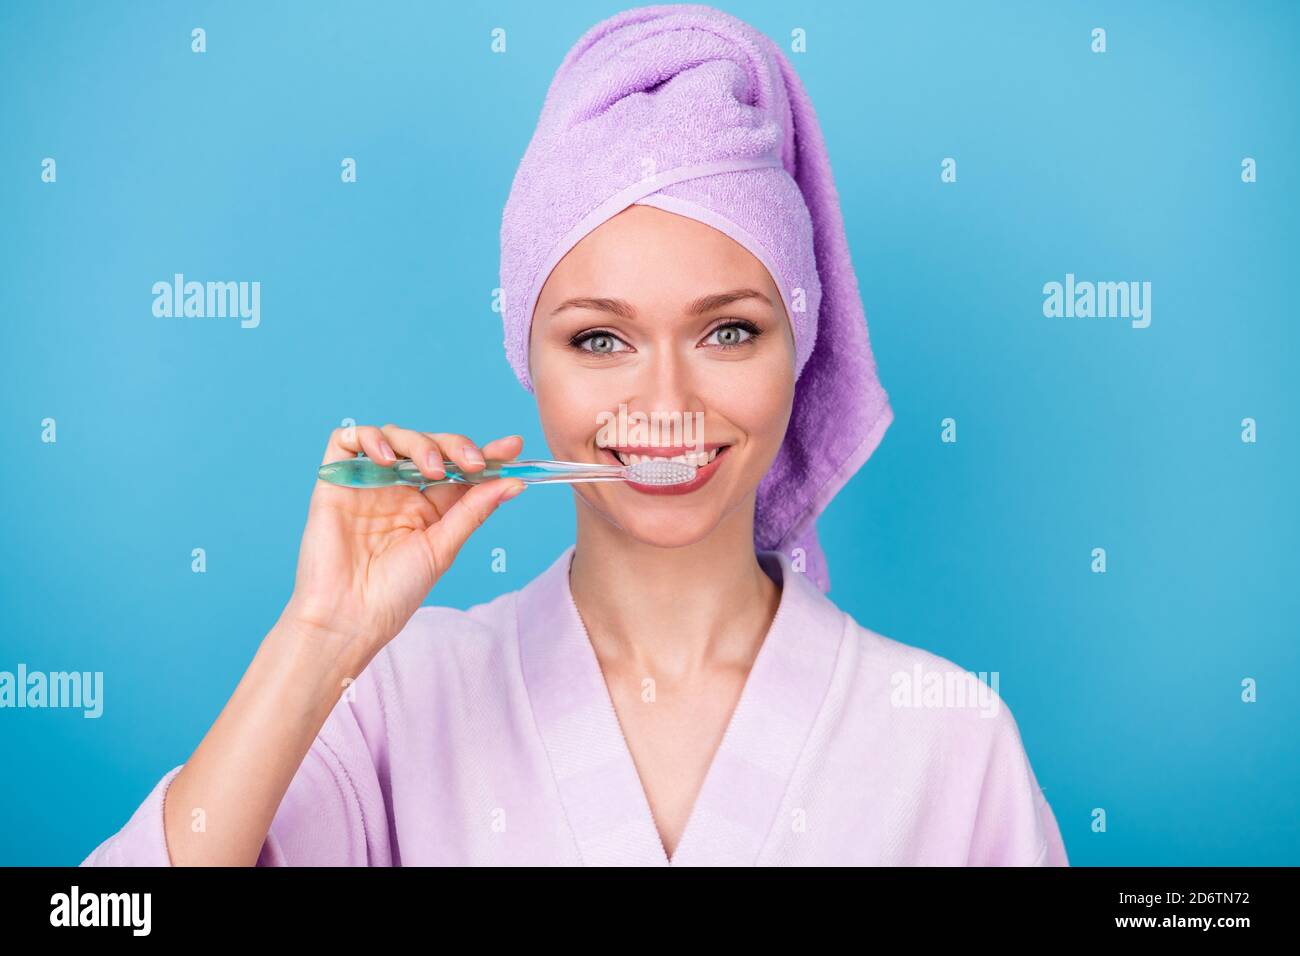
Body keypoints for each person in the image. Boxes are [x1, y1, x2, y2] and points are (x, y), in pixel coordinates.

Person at [81, 4, 1067, 867]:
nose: (666, 397)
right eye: (600, 338)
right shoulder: (397, 697)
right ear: (530, 359)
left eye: (729, 330)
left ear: (799, 352)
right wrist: (318, 637)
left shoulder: (949, 739)